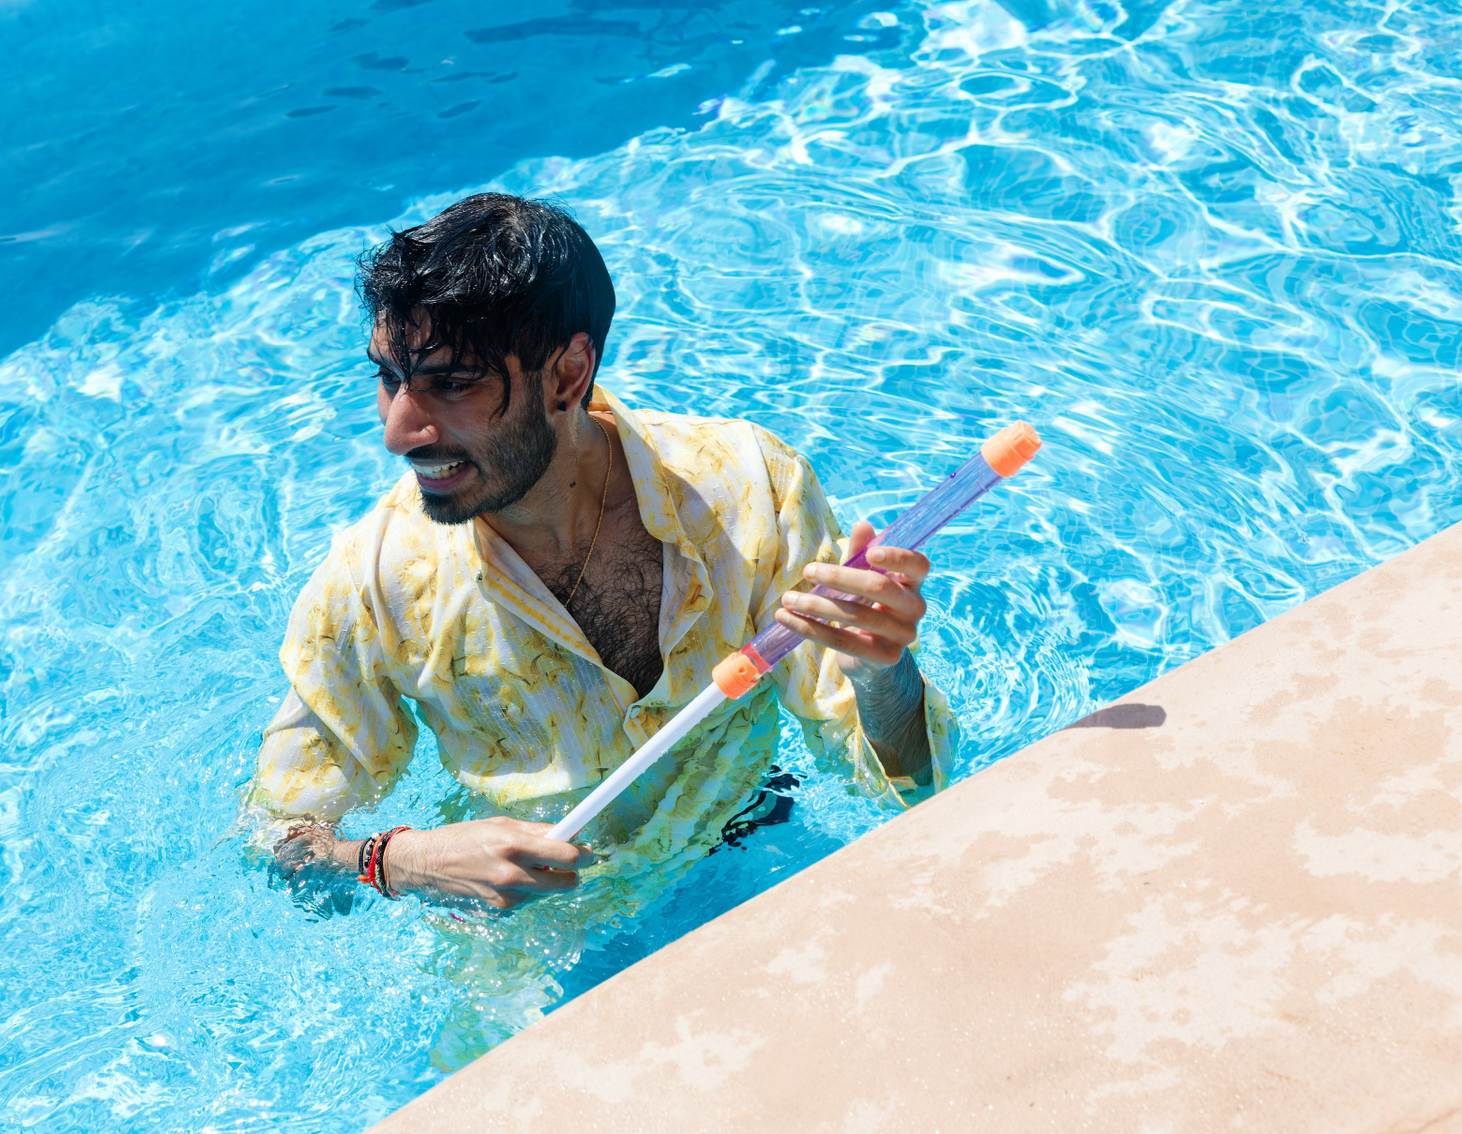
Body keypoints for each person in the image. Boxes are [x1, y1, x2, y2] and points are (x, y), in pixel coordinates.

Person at [248, 192, 954, 909]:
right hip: (537, 927)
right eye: (390, 378)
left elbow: (909, 789)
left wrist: (881, 674)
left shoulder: (750, 488)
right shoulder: (372, 584)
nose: (398, 432)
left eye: (452, 385)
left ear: (567, 375)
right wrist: (396, 860)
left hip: (751, 838)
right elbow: (275, 842)